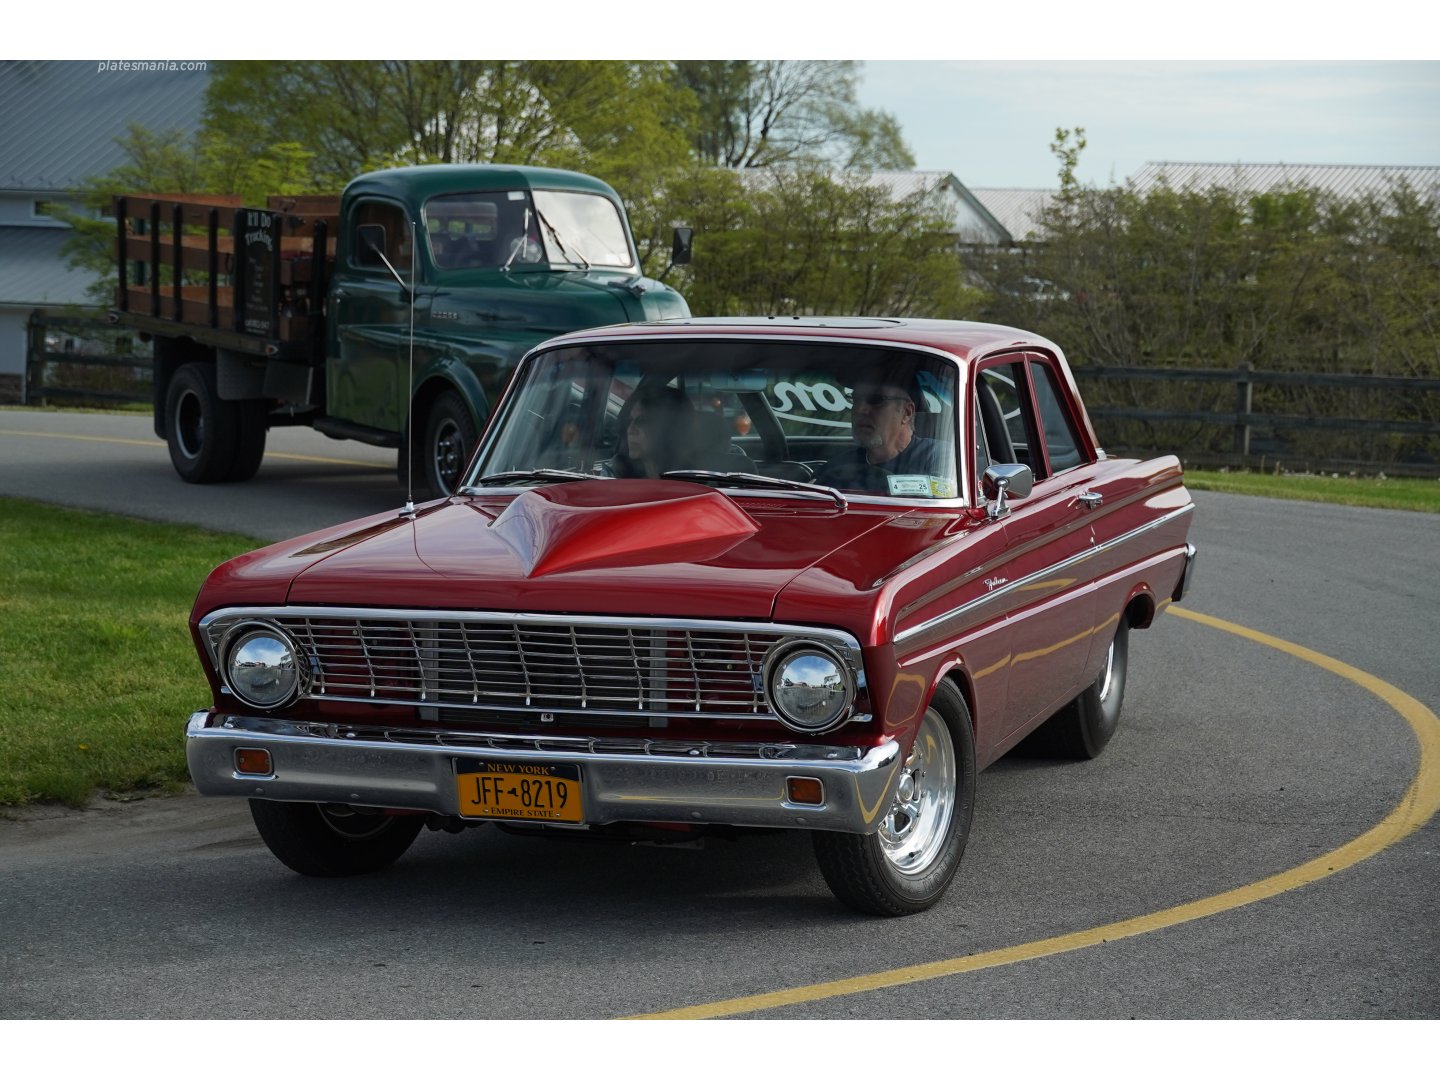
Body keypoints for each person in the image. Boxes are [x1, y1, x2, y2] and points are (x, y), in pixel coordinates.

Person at [815, 372, 949, 494]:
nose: (860, 409)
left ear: (907, 412)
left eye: (876, 399)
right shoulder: (838, 466)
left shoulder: (940, 458)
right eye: (855, 400)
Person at [607, 385, 695, 478]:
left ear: (668, 428)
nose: (630, 430)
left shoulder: (693, 478)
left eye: (642, 421)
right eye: (630, 421)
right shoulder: (618, 473)